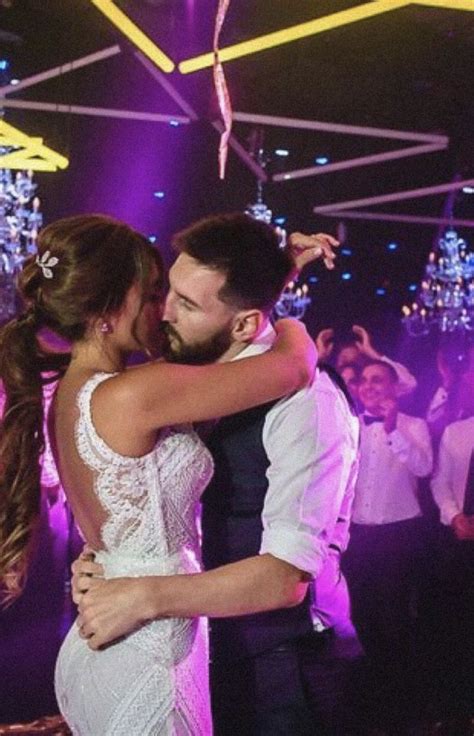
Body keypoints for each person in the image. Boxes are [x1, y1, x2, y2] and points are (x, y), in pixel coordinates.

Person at [0, 213, 320, 736]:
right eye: (152, 293)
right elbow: (292, 366)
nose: (163, 310)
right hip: (147, 650)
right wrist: (291, 324)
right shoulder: (136, 393)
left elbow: (234, 328)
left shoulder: (74, 392)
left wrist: (272, 276)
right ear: (106, 313)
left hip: (109, 630)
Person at [73, 213, 359, 735]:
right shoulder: (191, 380)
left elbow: (284, 579)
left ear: (246, 325)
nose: (163, 314)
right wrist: (110, 561)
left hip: (280, 661)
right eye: (167, 293)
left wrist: (141, 596)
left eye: (186, 304)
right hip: (196, 647)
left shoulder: (306, 404)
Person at [342, 359, 433, 733]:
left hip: (399, 535)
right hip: (359, 538)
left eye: (378, 379)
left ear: (396, 387)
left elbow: (425, 468)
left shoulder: (415, 425)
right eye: (364, 380)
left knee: (397, 624)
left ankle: (405, 713)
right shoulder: (351, 427)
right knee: (362, 623)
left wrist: (394, 430)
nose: (370, 386)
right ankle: (373, 710)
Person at [315, 324, 417, 398]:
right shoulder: (325, 390)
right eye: (344, 362)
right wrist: (319, 358)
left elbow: (409, 383)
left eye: (355, 363)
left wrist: (372, 353)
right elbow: (300, 389)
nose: (347, 386)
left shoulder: (369, 393)